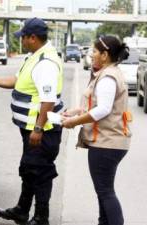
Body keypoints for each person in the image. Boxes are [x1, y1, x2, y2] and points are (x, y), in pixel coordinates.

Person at [0, 17, 64, 225]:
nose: (21, 41)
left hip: (42, 130)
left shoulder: (46, 63)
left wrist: (38, 128)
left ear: (33, 38)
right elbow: (17, 81)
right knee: (28, 169)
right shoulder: (35, 57)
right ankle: (22, 210)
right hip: (30, 128)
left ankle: (41, 217)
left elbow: (48, 100)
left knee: (41, 172)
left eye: (23, 38)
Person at [61, 35, 132, 225]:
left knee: (105, 191)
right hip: (109, 142)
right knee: (103, 191)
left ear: (104, 54)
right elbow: (97, 104)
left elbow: (103, 109)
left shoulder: (108, 76)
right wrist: (74, 113)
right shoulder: (109, 72)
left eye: (94, 51)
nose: (91, 55)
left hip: (107, 143)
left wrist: (74, 122)